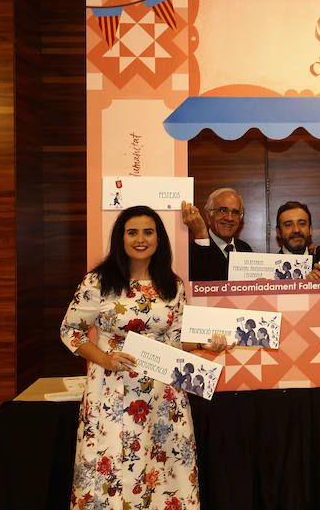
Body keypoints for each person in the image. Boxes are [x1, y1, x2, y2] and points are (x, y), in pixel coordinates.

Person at [60, 205, 233, 510]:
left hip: (164, 393)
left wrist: (209, 345)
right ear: (120, 238)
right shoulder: (98, 282)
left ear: (159, 239)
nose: (140, 239)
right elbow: (70, 330)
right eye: (132, 232)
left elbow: (176, 341)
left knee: (164, 472)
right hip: (112, 391)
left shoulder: (173, 285)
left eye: (148, 232)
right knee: (111, 468)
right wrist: (103, 357)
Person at [181, 187, 253, 281]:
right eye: (223, 210)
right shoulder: (192, 251)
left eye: (235, 212)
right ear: (208, 215)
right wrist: (202, 238)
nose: (229, 218)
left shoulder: (245, 249)